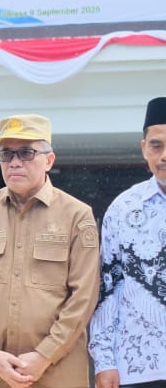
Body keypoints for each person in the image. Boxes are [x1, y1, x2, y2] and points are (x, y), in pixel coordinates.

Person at [0, 114, 100, 388]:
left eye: (26, 152)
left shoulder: (77, 215)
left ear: (49, 160)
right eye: (6, 154)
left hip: (58, 372)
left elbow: (84, 295)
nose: (14, 162)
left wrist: (45, 355)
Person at [89, 97, 166, 388]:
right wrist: (104, 361)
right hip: (137, 366)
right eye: (156, 145)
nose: (164, 156)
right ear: (143, 147)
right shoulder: (123, 209)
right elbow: (108, 288)